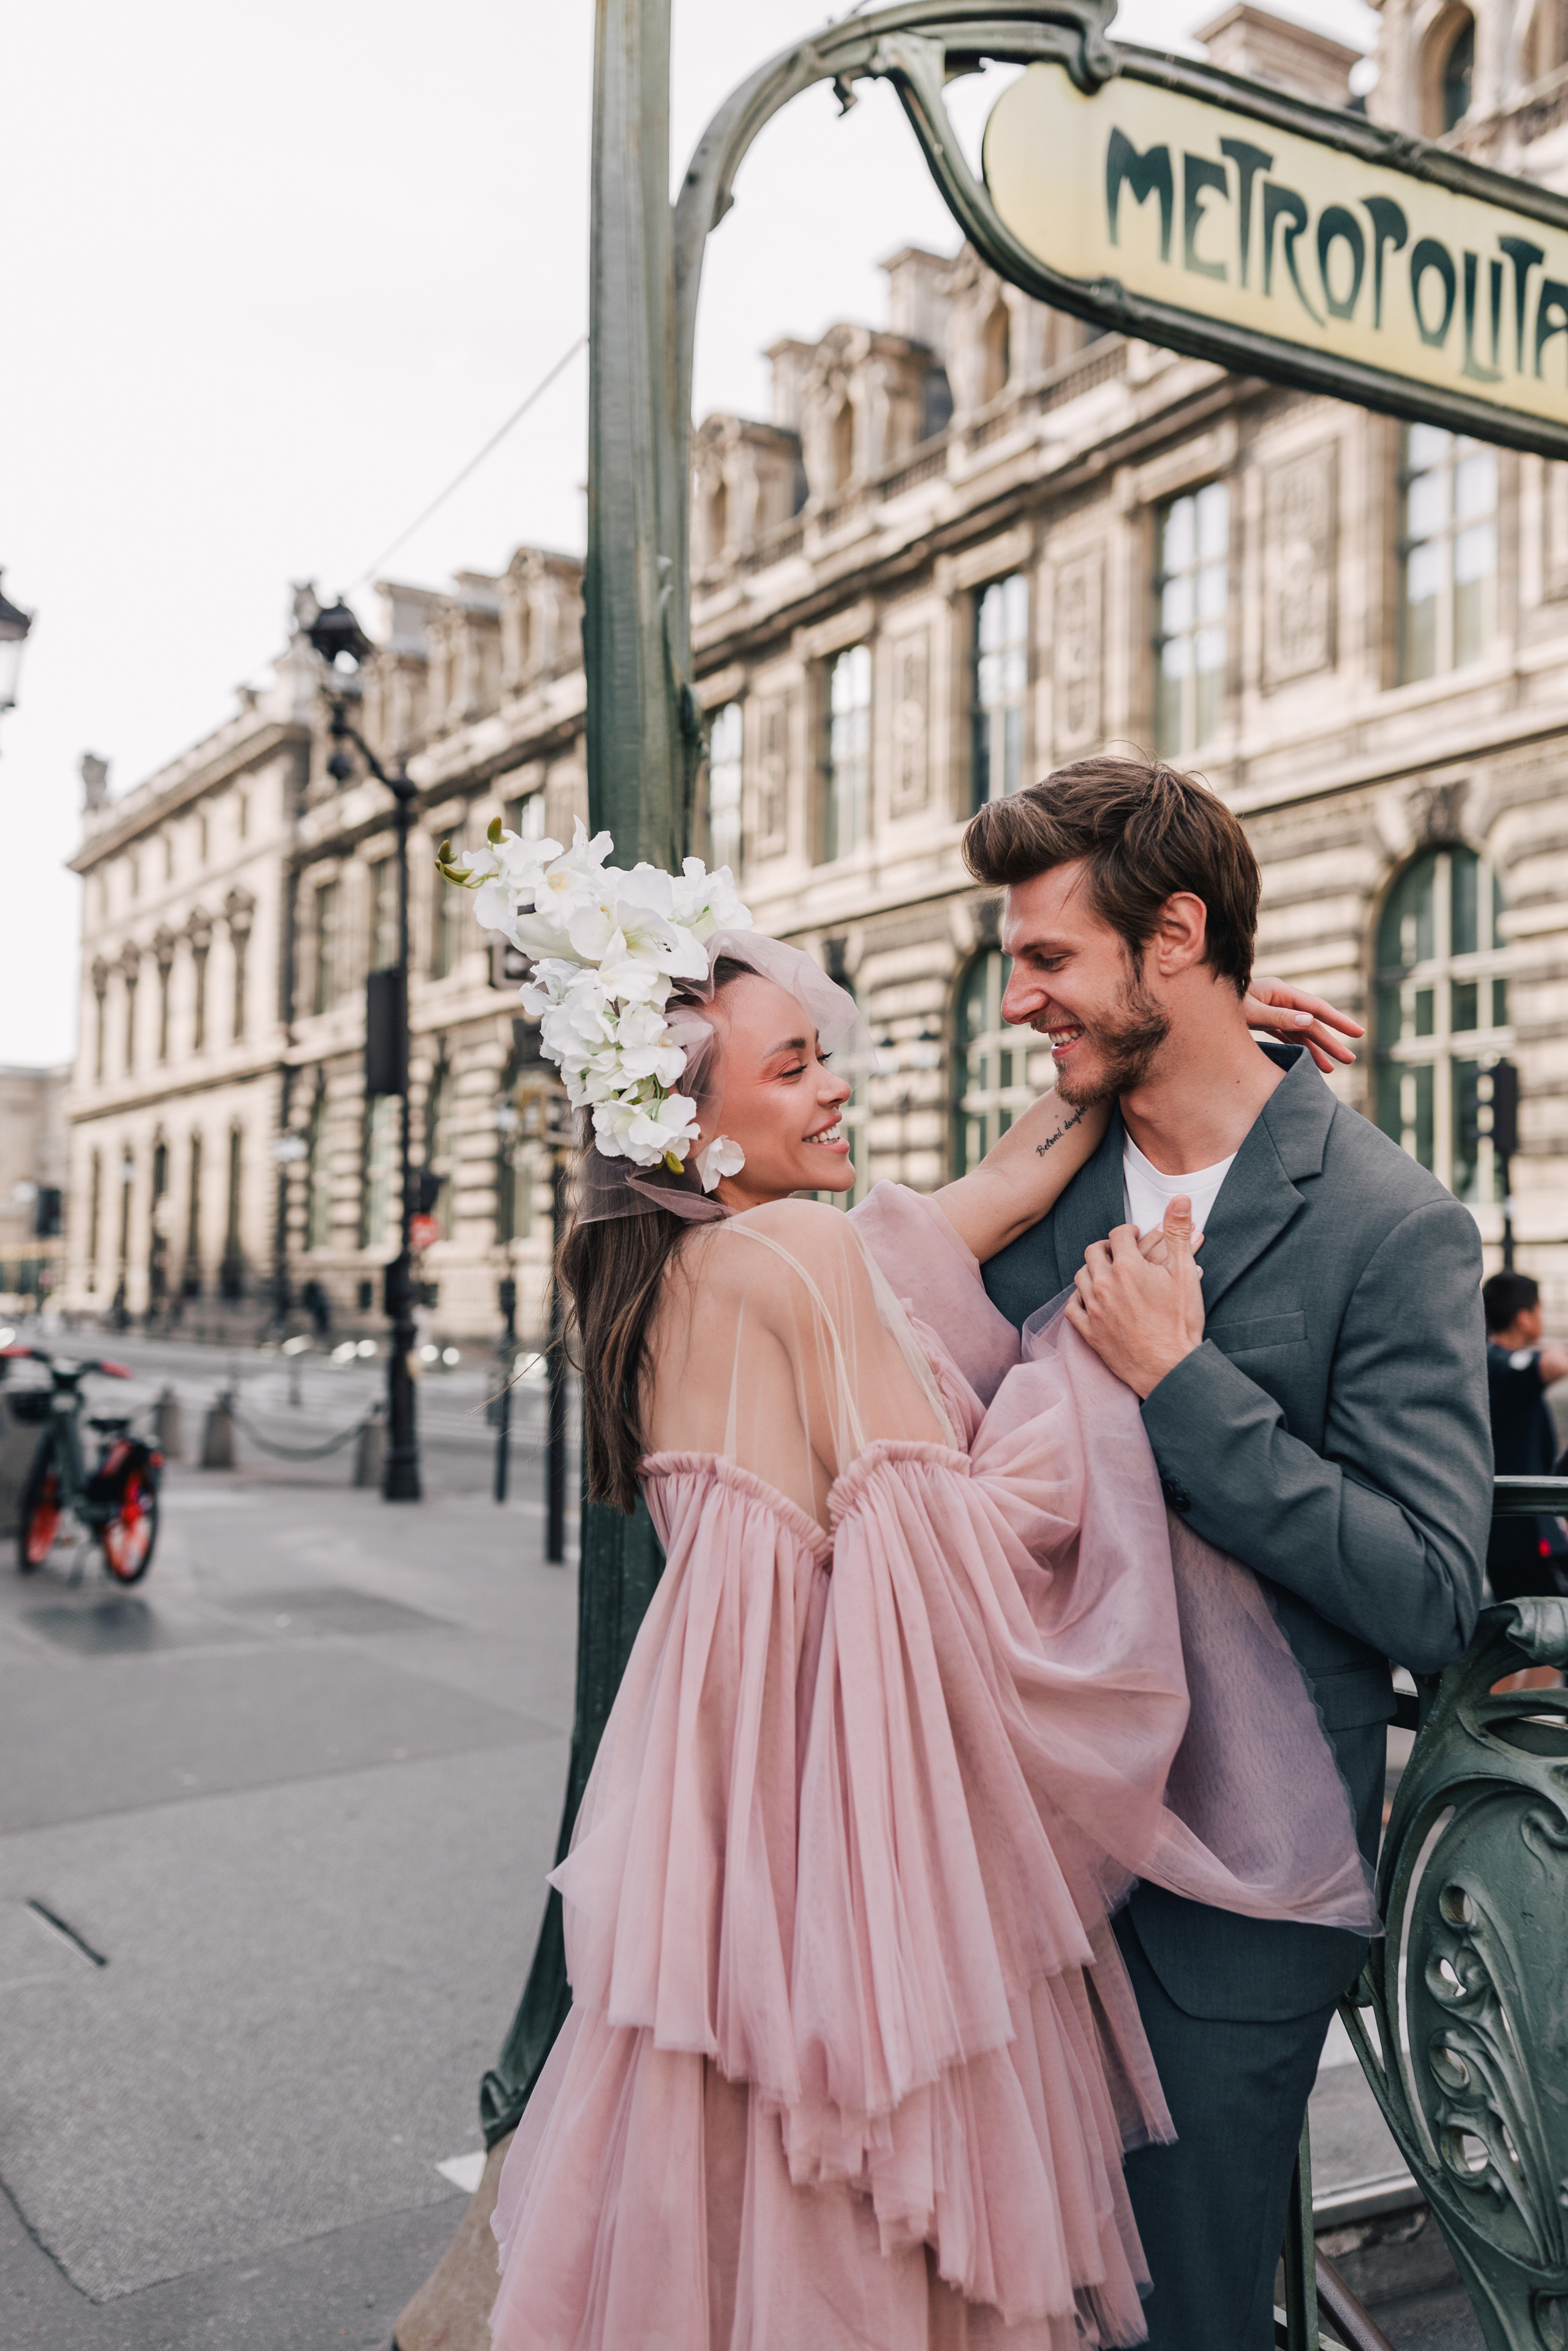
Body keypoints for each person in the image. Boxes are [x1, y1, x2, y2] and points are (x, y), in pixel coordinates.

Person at [447, 819, 1380, 2350]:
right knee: (890, 2230)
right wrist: (1105, 1356)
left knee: (741, 2211)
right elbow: (963, 1557)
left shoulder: (693, 1278)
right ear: (699, 1133)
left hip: (722, 1833)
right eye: (797, 1067)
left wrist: (1180, 1031)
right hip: (850, 1841)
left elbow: (995, 1190)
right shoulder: (804, 1260)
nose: (839, 1088)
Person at [968, 755, 1492, 2350]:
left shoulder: (1389, 1222)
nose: (1019, 1002)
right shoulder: (1037, 1185)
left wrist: (1181, 1385)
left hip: (1231, 1899)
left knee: (1180, 2319)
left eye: (1049, 959)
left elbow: (1426, 1587)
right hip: (1003, 1874)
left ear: (1173, 933)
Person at [1482, 1269, 1568, 1601]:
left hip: (1510, 1532)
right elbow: (1554, 1364)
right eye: (1539, 1310)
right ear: (1523, 1317)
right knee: (1548, 1631)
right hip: (1525, 1534)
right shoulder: (1499, 1364)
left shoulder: (1490, 1365)